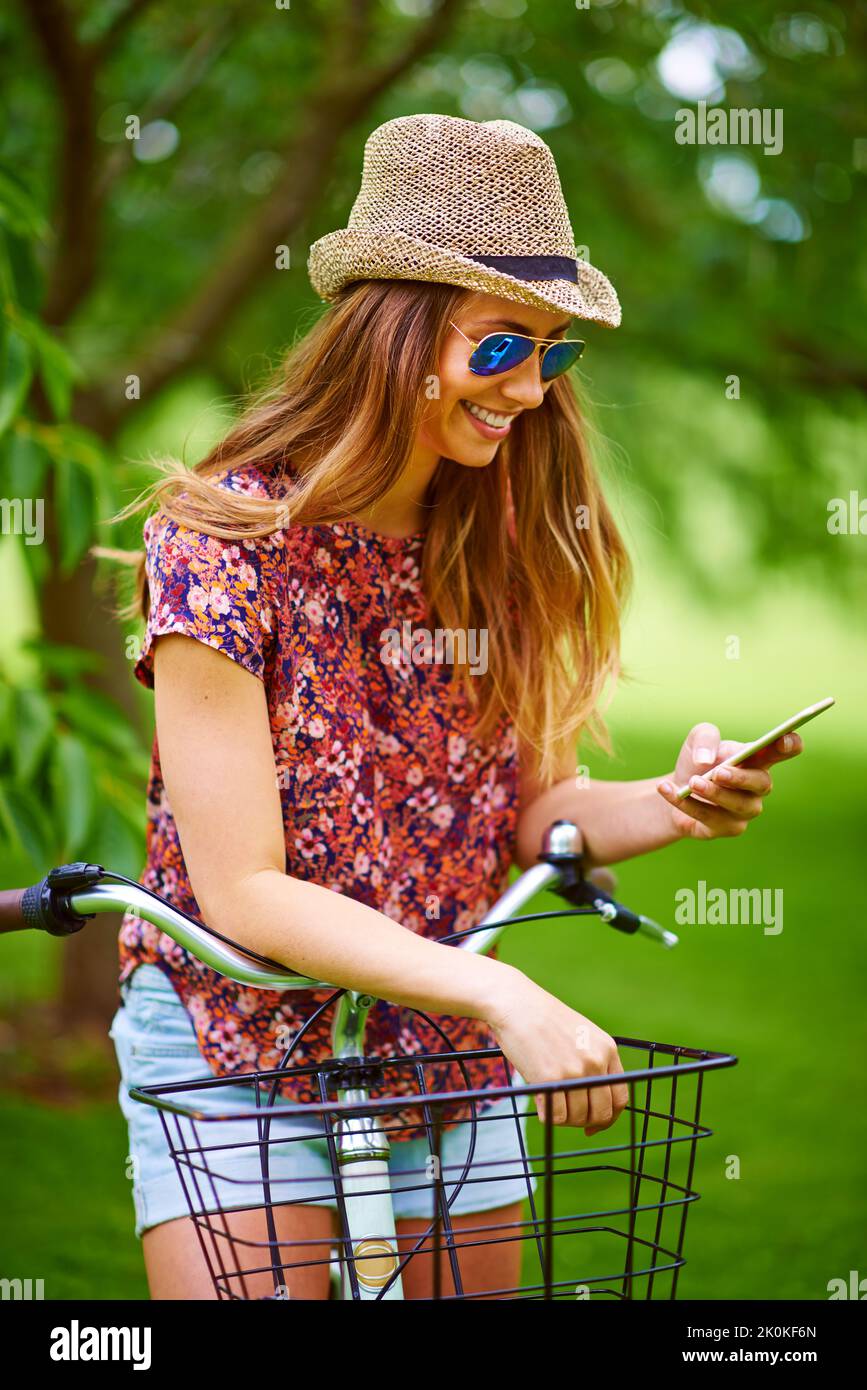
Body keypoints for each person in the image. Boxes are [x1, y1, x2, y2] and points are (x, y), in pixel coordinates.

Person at [109, 114, 801, 1300]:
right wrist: (499, 986)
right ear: (394, 334)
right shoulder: (222, 543)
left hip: (438, 1046)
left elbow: (539, 816)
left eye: (554, 353)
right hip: (233, 1036)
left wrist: (677, 803)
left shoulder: (500, 536)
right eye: (500, 350)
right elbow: (245, 892)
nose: (531, 390)